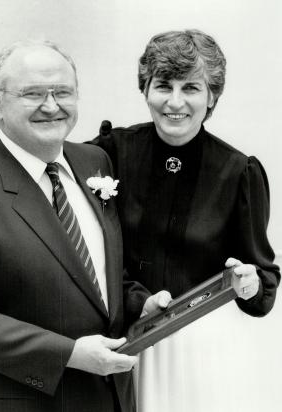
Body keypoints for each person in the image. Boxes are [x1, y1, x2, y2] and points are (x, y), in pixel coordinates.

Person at [0, 39, 171, 412]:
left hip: (110, 396)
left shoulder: (94, 162)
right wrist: (69, 354)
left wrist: (140, 303)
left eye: (62, 92)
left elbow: (97, 274)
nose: (51, 106)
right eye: (33, 93)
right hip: (24, 399)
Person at [91, 29, 280, 411]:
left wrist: (249, 284)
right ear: (145, 89)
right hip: (118, 341)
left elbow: (264, 283)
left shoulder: (239, 171)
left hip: (198, 351)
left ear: (212, 96)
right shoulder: (108, 152)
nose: (175, 102)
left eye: (191, 88)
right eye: (163, 85)